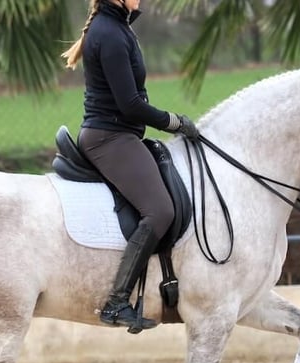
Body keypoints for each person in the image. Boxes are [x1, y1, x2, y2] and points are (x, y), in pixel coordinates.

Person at [61, 0, 199, 333]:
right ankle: (116, 301)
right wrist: (174, 122)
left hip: (119, 134)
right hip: (109, 137)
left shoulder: (118, 26)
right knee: (161, 211)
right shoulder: (109, 33)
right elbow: (132, 105)